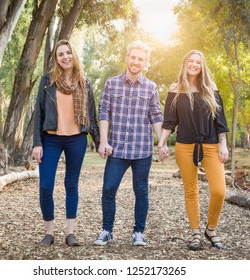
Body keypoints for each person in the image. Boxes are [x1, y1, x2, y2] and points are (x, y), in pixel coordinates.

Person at [93, 40, 163, 246]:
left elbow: (156, 116)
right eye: (133, 57)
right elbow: (104, 112)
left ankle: (138, 232)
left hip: (142, 149)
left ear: (145, 62)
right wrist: (103, 141)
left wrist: (162, 143)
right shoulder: (111, 83)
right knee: (108, 189)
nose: (136, 61)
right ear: (127, 58)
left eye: (141, 59)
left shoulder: (151, 87)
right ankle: (107, 230)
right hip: (116, 149)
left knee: (141, 191)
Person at [158, 50, 229, 250]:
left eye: (198, 62)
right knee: (191, 191)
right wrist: (162, 143)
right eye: (191, 60)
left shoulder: (211, 88)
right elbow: (169, 122)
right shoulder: (175, 89)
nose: (194, 64)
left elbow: (220, 121)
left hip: (210, 144)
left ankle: (211, 229)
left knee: (219, 191)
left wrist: (223, 144)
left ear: (202, 66)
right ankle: (195, 232)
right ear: (185, 63)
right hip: (185, 145)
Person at [32, 39, 100, 247]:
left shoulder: (84, 83)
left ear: (74, 55)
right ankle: (49, 233)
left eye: (68, 53)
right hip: (50, 139)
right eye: (61, 54)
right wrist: (37, 143)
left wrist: (100, 143)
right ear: (56, 58)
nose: (65, 57)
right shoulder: (46, 82)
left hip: (76, 139)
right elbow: (38, 115)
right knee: (45, 186)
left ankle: (70, 233)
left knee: (71, 185)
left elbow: (92, 117)